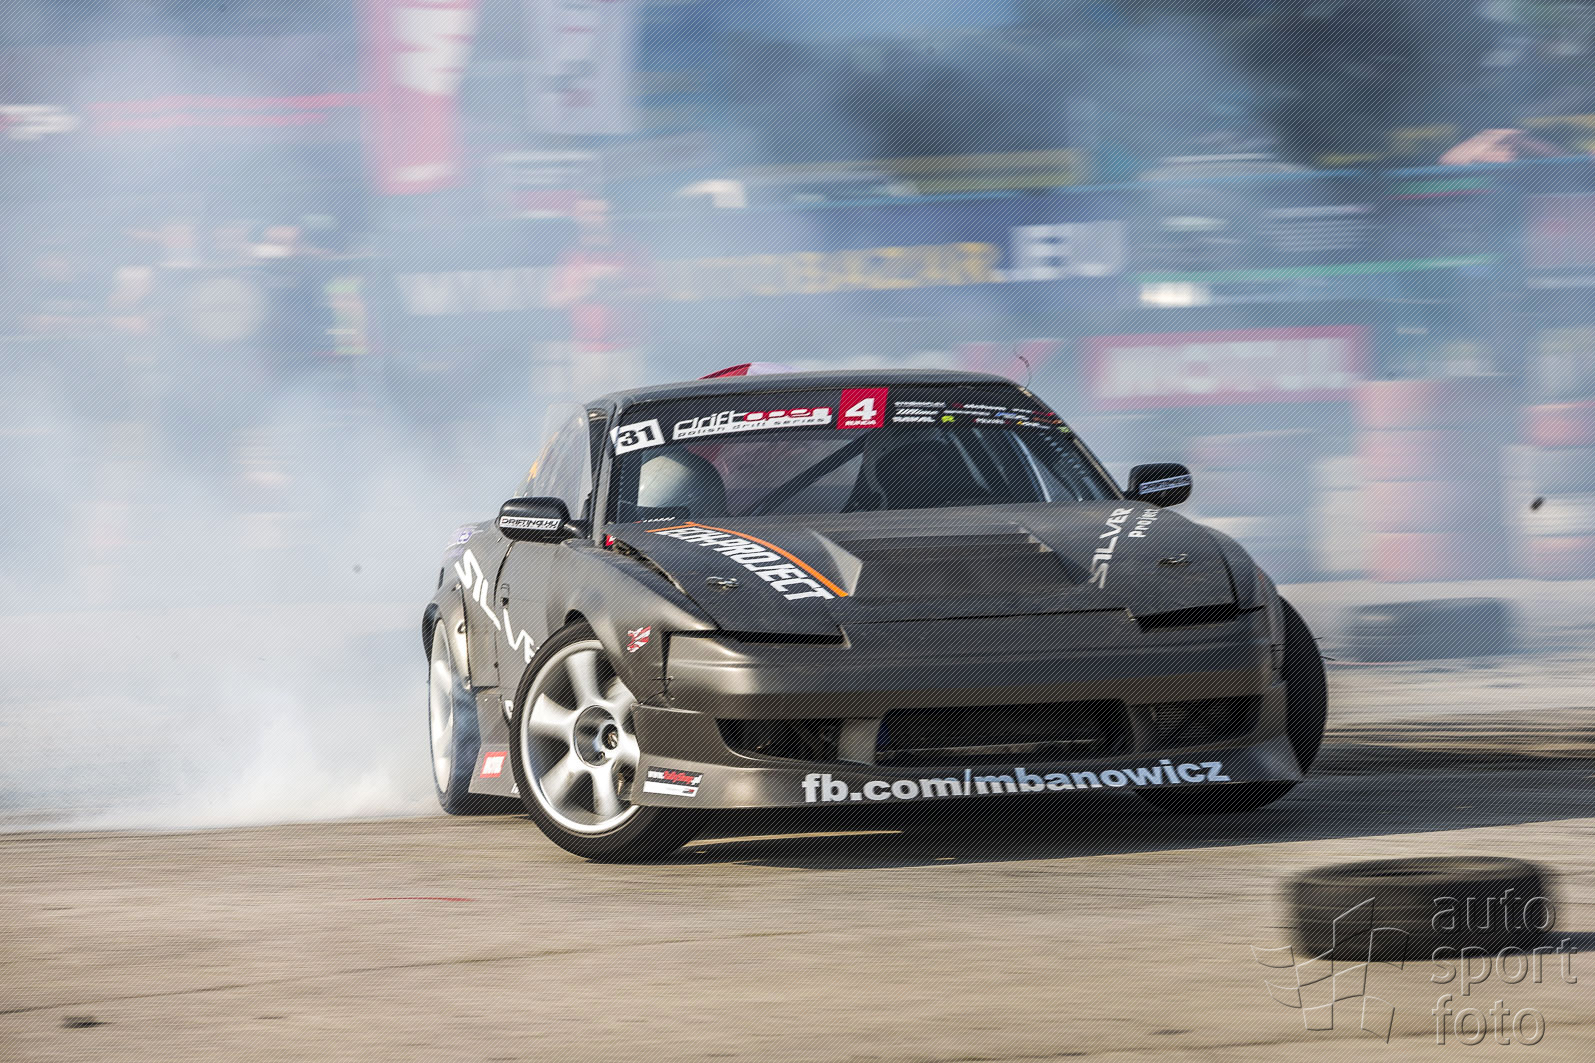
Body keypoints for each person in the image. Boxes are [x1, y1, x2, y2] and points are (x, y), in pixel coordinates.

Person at [546, 197, 652, 397]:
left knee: (633, 407)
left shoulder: (631, 250)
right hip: (586, 350)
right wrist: (587, 289)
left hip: (627, 347)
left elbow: (652, 292)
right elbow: (554, 299)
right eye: (590, 214)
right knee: (590, 407)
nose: (598, 219)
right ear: (580, 219)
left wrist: (618, 288)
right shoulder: (572, 256)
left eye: (603, 213)